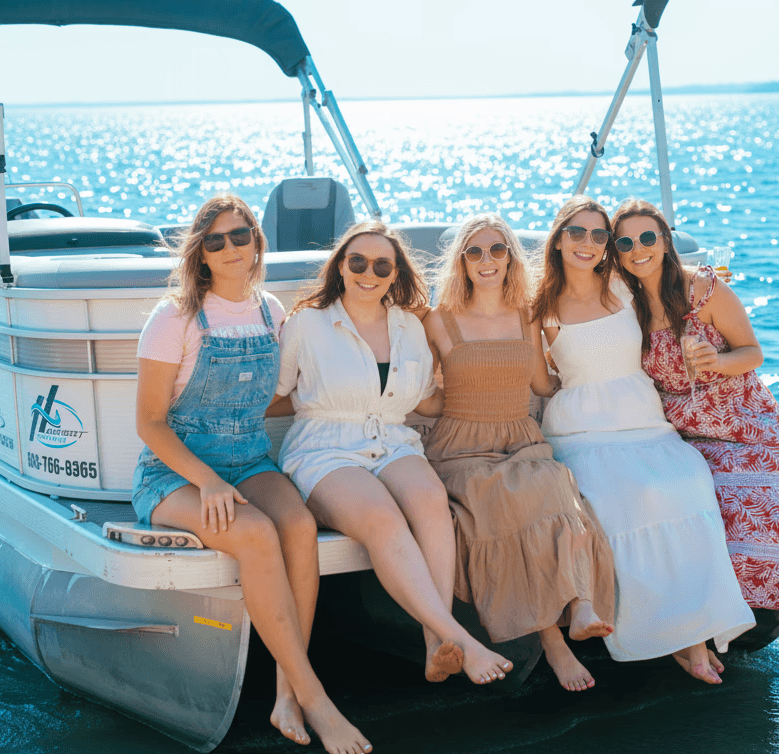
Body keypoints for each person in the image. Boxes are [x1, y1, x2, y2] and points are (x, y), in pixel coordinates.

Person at [132, 194, 369, 754]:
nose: (231, 248)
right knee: (256, 534)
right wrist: (208, 482)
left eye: (240, 236)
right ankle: (317, 699)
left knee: (299, 529)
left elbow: (277, 398)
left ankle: (287, 692)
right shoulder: (174, 318)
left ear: (258, 242)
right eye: (215, 241)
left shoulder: (271, 311)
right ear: (202, 254)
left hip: (250, 460)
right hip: (177, 474)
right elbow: (149, 423)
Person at [275, 220, 513, 686]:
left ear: (394, 271)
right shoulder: (307, 323)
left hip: (392, 440)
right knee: (383, 517)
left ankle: (433, 644)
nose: (369, 272)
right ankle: (457, 636)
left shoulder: (410, 326)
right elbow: (277, 392)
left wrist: (491, 382)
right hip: (326, 448)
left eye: (382, 264)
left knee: (430, 503)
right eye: (357, 261)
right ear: (340, 267)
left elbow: (425, 399)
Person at [534, 196, 755, 684]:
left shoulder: (623, 287)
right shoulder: (541, 307)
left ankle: (694, 634)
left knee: (688, 482)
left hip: (643, 419)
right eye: (578, 233)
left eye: (598, 235)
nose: (588, 244)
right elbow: (540, 382)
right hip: (581, 428)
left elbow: (672, 283)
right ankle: (668, 636)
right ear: (558, 241)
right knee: (618, 499)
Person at [610, 197, 779, 661]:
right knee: (700, 507)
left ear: (665, 242)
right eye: (626, 241)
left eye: (648, 237)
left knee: (767, 493)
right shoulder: (627, 307)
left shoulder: (703, 291)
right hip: (689, 432)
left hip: (747, 421)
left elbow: (752, 353)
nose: (638, 248)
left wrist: (717, 360)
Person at [422, 214, 616, 692]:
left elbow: (541, 384)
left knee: (555, 488)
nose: (487, 261)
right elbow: (424, 397)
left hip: (521, 438)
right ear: (461, 263)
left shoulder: (527, 314)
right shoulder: (437, 319)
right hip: (462, 449)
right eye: (475, 252)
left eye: (497, 250)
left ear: (510, 257)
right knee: (502, 502)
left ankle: (582, 603)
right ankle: (553, 643)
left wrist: (595, 375)